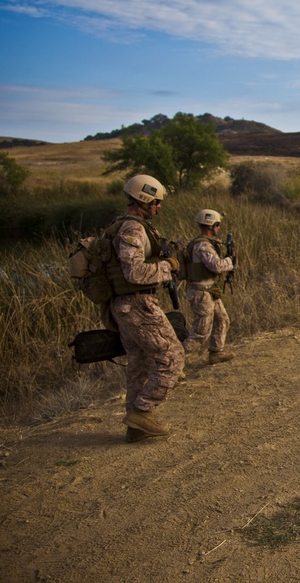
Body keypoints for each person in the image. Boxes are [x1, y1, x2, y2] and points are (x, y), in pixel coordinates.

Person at [108, 174, 185, 442]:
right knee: (173, 356)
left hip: (125, 306)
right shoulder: (134, 229)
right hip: (138, 304)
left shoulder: (120, 225)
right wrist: (169, 267)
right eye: (156, 202)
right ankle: (142, 411)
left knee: (140, 361)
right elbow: (134, 272)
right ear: (144, 199)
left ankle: (135, 426)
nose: (159, 207)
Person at [183, 209, 236, 364]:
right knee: (201, 332)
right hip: (201, 292)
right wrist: (230, 261)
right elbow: (216, 266)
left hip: (209, 289)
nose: (219, 229)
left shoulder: (206, 244)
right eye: (217, 225)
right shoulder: (203, 246)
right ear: (211, 226)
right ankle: (175, 362)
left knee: (222, 320)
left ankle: (216, 352)